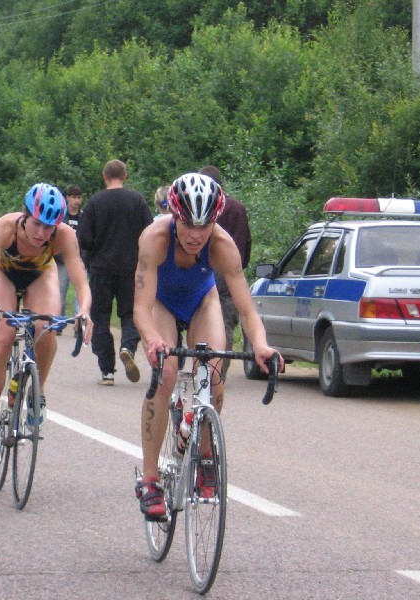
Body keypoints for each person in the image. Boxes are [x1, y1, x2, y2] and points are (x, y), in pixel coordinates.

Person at [132, 172, 283, 520]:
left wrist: (261, 344)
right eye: (187, 224)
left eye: (204, 226)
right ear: (174, 215)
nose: (195, 235)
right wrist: (153, 340)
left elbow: (247, 310)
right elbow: (140, 308)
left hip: (202, 301)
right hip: (161, 303)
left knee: (212, 371)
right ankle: (150, 479)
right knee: (166, 372)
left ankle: (205, 458)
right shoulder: (154, 238)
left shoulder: (223, 245)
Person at [0, 182, 94, 460]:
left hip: (40, 275)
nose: (42, 233)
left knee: (46, 328)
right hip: (5, 275)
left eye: (49, 227)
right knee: (3, 337)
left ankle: (36, 394)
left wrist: (85, 310)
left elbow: (80, 280)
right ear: (25, 216)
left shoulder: (64, 235)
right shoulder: (2, 228)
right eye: (37, 224)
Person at [77, 159, 153, 386]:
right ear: (125, 176)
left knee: (100, 317)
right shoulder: (137, 200)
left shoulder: (94, 202)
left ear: (104, 176)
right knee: (131, 313)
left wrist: (94, 251)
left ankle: (107, 371)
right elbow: (150, 232)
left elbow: (84, 239)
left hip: (101, 269)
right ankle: (127, 346)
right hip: (131, 268)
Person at [198, 165, 252, 380]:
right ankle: (220, 371)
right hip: (231, 271)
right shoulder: (238, 208)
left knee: (201, 317)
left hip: (205, 268)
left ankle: (202, 367)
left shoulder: (204, 205)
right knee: (226, 321)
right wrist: (240, 267)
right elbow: (246, 241)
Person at [56, 184, 85, 329]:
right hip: (61, 261)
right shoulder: (60, 215)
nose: (76, 200)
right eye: (74, 197)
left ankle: (79, 325)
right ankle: (58, 322)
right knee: (59, 293)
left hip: (79, 260)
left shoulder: (84, 216)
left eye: (79, 197)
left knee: (81, 294)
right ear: (67, 198)